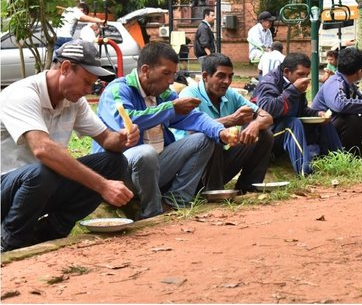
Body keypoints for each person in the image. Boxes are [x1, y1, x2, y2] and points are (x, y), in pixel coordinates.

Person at [1, 39, 138, 252]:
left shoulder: (74, 101)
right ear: (65, 68)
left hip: (38, 186)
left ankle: (51, 232)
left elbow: (106, 140)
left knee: (114, 162)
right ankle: (9, 243)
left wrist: (121, 139)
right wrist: (102, 186)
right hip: (7, 186)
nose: (88, 89)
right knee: (44, 170)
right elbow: (43, 150)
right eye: (86, 81)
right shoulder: (22, 94)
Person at [95, 43, 238, 220]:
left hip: (156, 171)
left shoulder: (163, 94)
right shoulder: (118, 90)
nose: (171, 81)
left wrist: (220, 132)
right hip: (122, 175)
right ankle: (152, 212)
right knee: (146, 153)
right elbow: (127, 121)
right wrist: (170, 108)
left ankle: (175, 201)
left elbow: (193, 117)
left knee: (204, 139)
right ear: (146, 70)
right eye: (166, 73)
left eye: (173, 74)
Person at [179, 54, 273, 192]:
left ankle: (247, 189)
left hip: (219, 164)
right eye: (221, 76)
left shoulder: (229, 94)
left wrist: (255, 125)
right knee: (211, 136)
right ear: (205, 76)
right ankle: (212, 192)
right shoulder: (189, 94)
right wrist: (232, 120)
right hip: (192, 170)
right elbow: (193, 132)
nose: (227, 81)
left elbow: (267, 117)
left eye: (230, 76)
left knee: (264, 135)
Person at [253, 53, 342, 175]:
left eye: (306, 75)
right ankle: (305, 172)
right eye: (300, 74)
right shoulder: (269, 82)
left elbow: (301, 110)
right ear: (286, 71)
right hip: (265, 135)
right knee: (292, 123)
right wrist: (293, 90)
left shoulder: (294, 82)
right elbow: (267, 110)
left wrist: (317, 114)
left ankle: (339, 161)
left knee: (324, 122)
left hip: (284, 128)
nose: (304, 78)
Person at [311, 47, 362, 159]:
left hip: (336, 127)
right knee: (350, 118)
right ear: (359, 71)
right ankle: (352, 158)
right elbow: (340, 105)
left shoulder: (349, 85)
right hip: (323, 133)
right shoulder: (335, 82)